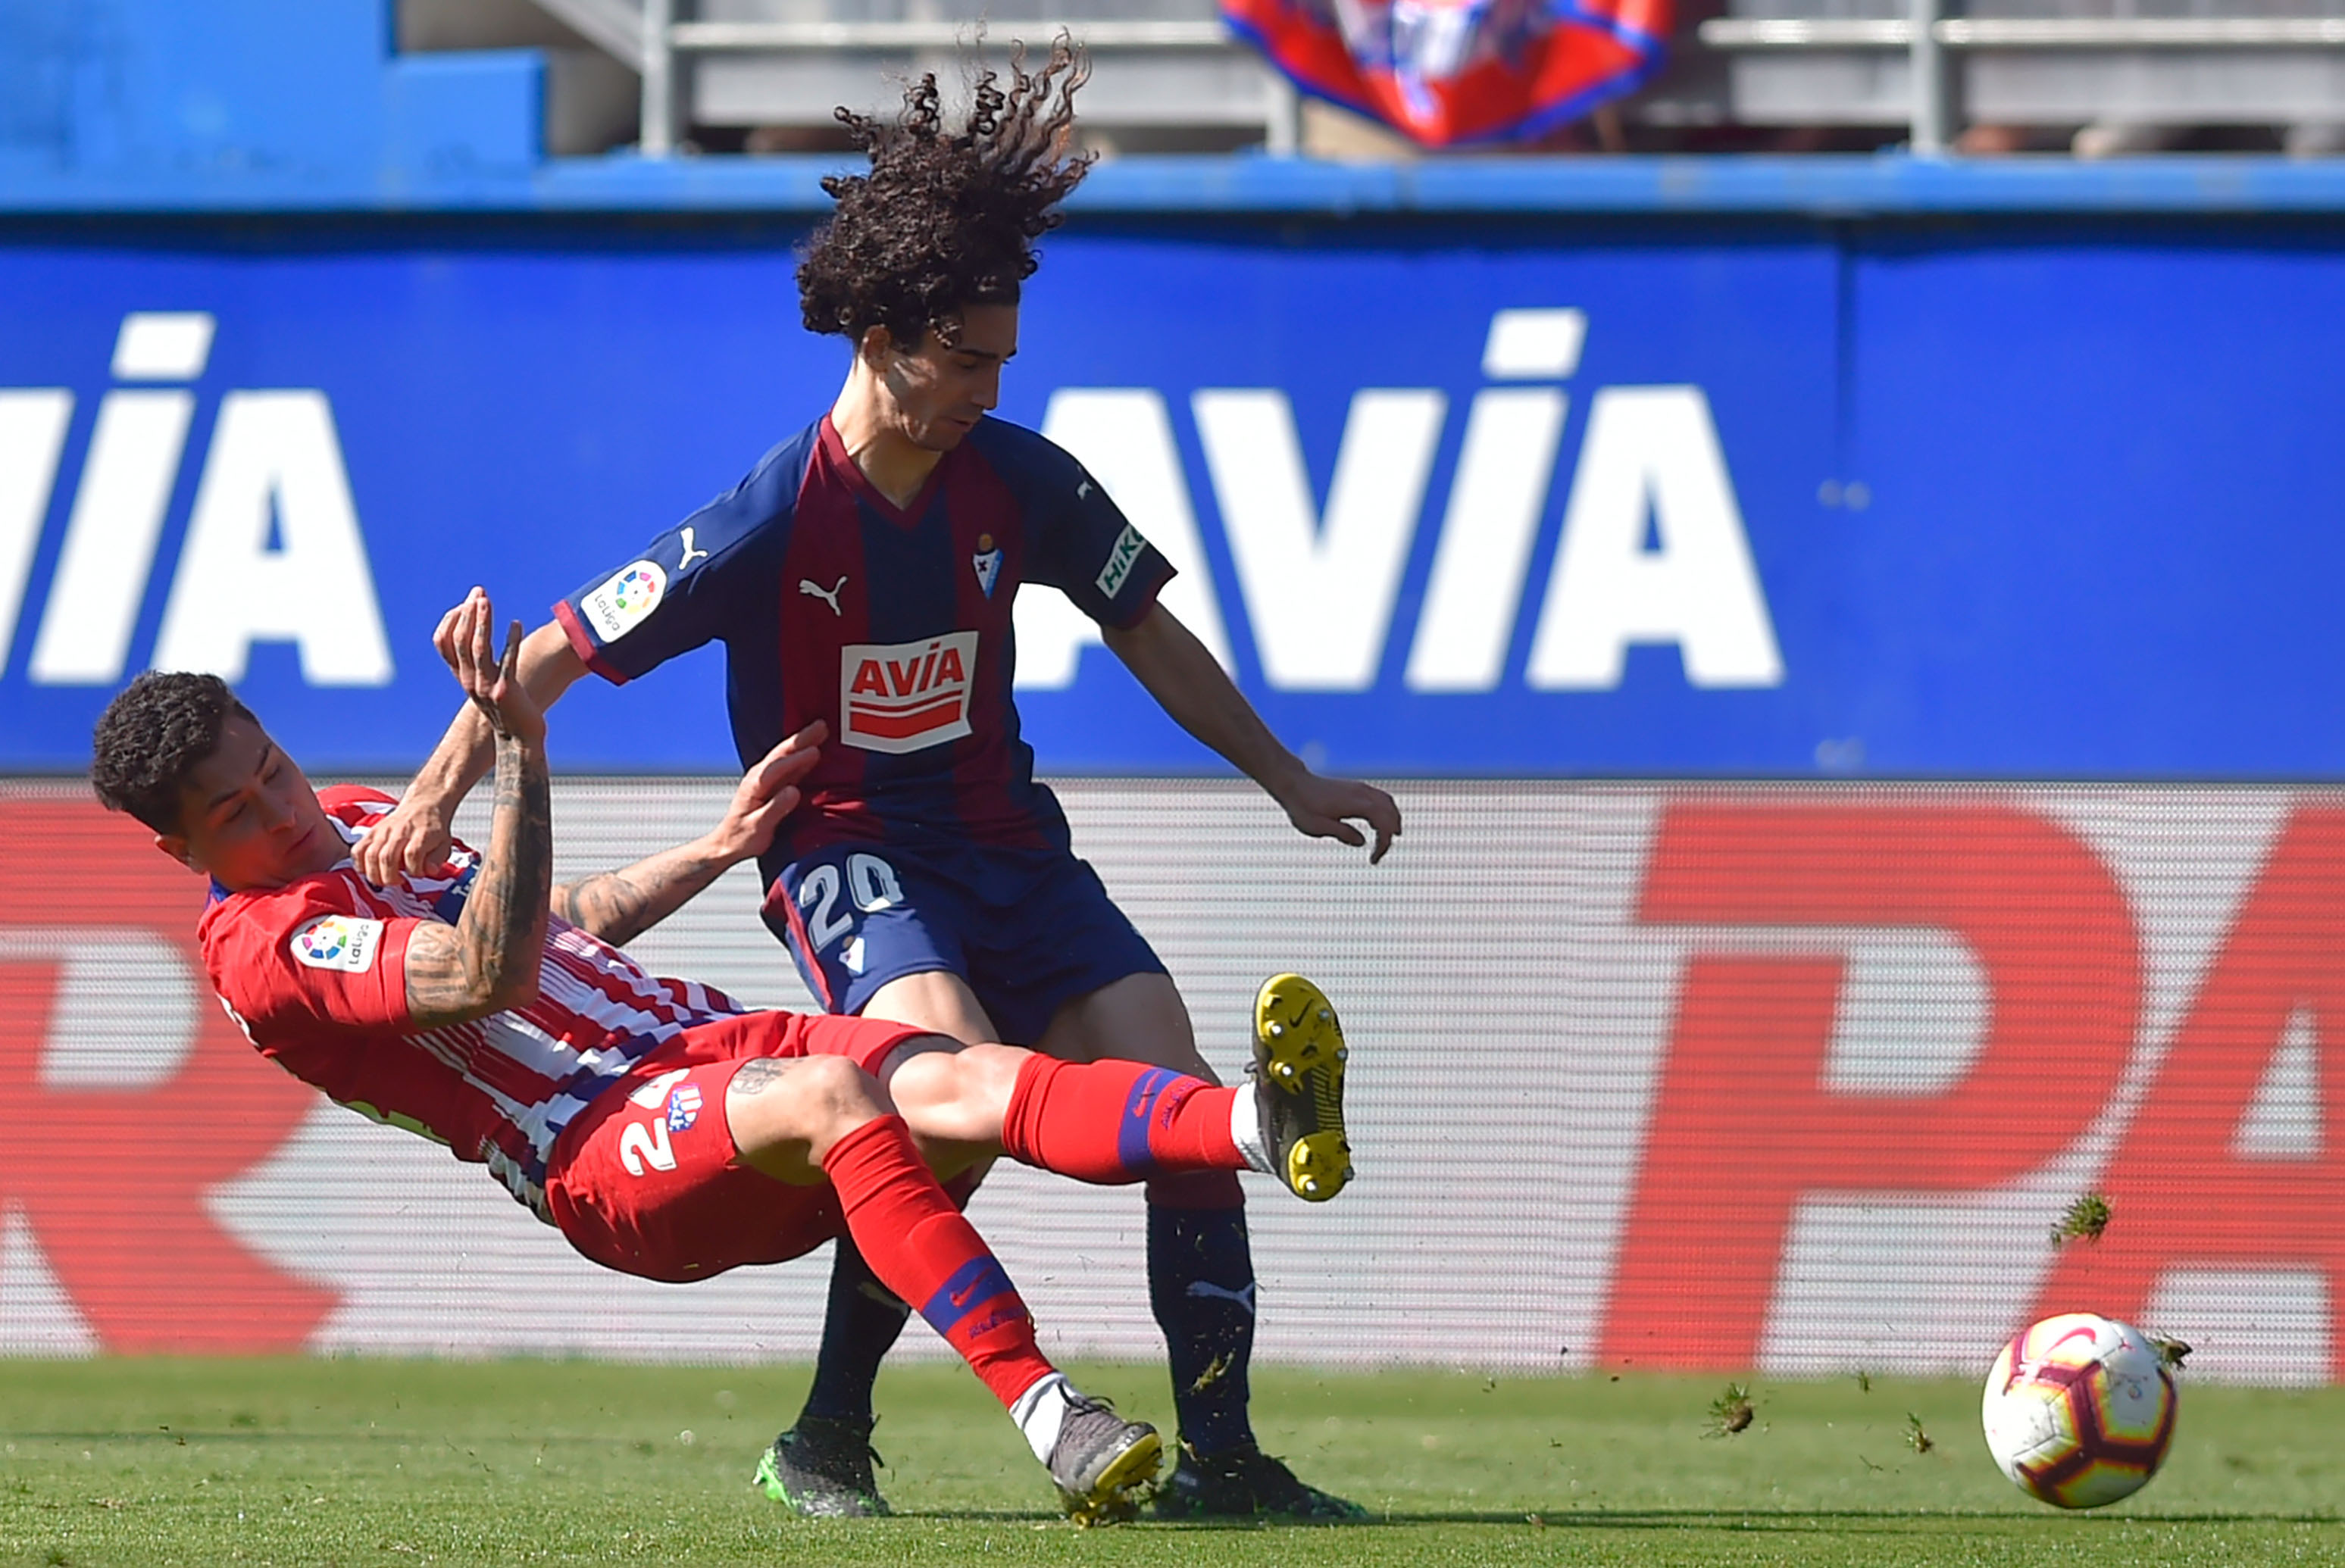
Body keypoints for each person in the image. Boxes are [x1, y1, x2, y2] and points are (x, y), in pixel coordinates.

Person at [353, 42, 1400, 1522]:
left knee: (1172, 1111)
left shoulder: (1021, 482)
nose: (991, 383)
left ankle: (1221, 1456)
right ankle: (832, 1435)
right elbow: (545, 657)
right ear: (890, 339)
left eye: (1003, 360)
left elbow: (1144, 626)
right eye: (968, 357)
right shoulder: (767, 522)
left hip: (1015, 852)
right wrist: (435, 794)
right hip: (854, 859)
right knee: (946, 1107)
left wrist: (1291, 780)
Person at [89, 589, 1357, 1523]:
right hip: (599, 1146)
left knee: (961, 1075)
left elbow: (552, 926)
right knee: (840, 1089)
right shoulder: (264, 942)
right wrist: (523, 746)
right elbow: (490, 971)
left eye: (274, 768)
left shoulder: (361, 820)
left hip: (700, 1046)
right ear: (180, 850)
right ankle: (1052, 1414)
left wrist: (711, 847)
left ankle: (1258, 1121)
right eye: (239, 814)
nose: (284, 808)